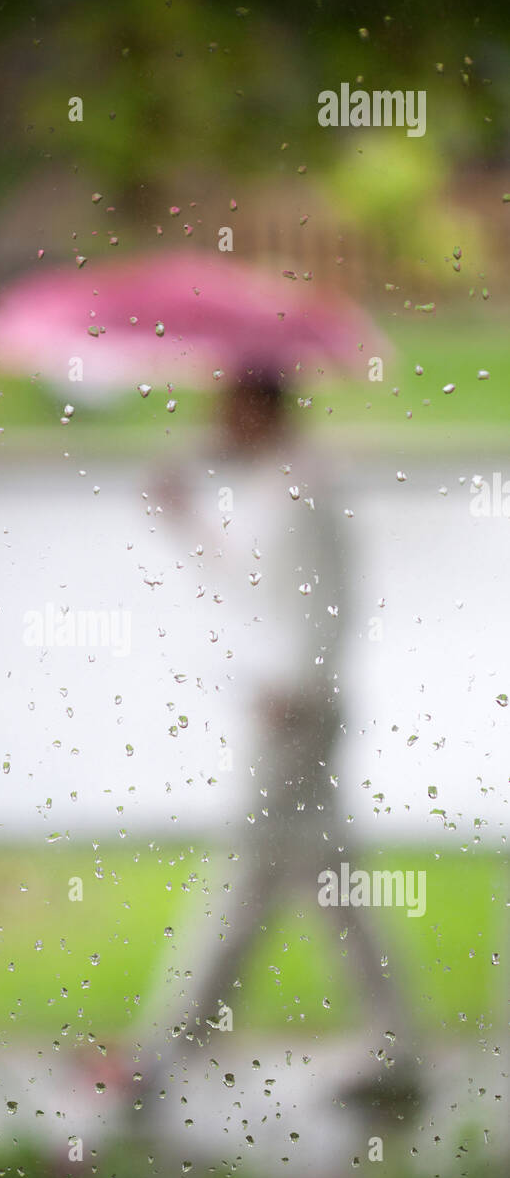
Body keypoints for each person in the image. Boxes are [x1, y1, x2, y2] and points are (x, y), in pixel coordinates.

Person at [134, 365, 416, 1117]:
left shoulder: (309, 485)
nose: (214, 423)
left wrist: (298, 688)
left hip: (295, 715)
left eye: (225, 406)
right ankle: (398, 1045)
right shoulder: (273, 488)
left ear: (259, 408)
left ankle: (163, 1052)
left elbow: (332, 598)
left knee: (248, 874)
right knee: (331, 885)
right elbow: (250, 588)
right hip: (287, 709)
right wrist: (185, 521)